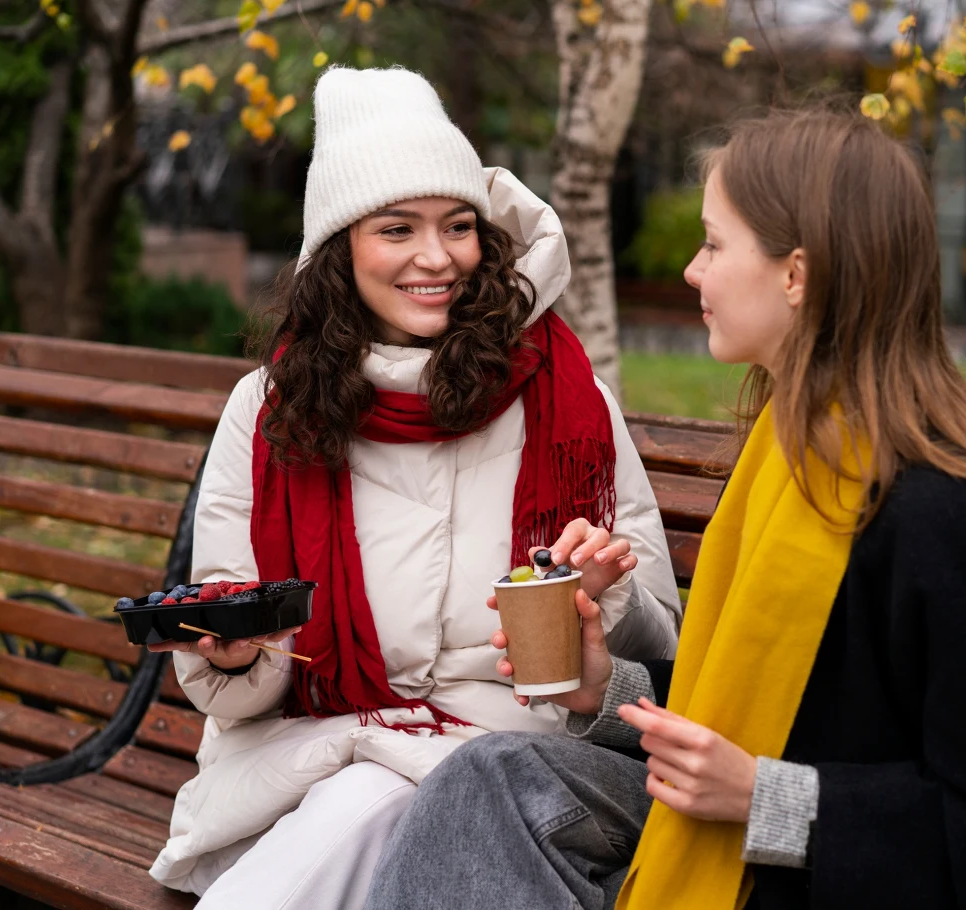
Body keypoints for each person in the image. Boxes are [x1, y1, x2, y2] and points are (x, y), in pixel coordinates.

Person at [364, 107, 966, 910]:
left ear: (797, 274)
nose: (691, 269)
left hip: (824, 883)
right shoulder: (786, 465)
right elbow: (766, 707)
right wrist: (604, 688)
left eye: (715, 243)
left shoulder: (954, 521)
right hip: (753, 866)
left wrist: (767, 799)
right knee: (485, 779)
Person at [144, 65, 681, 909]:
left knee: (379, 811)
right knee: (362, 804)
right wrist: (241, 649)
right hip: (316, 750)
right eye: (398, 229)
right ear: (340, 248)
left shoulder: (567, 398)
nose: (438, 258)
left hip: (510, 762)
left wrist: (603, 597)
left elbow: (661, 645)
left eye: (459, 226)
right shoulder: (270, 410)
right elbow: (234, 635)